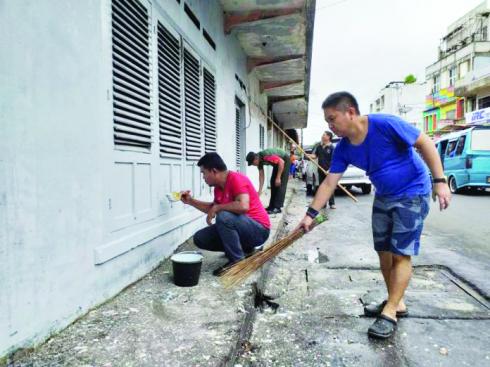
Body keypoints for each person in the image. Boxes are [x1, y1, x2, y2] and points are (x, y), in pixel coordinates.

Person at [296, 92, 451, 339]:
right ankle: (396, 301)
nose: (330, 126)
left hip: (412, 192)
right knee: (383, 251)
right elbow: (328, 183)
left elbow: (425, 143)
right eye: (327, 121)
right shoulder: (344, 148)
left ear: (351, 112)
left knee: (401, 253)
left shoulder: (385, 123)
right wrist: (310, 214)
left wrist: (440, 181)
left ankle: (389, 312)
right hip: (384, 195)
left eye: (332, 118)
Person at [181, 153, 270, 276]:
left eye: (203, 173)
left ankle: (237, 261)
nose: (203, 177)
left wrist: (218, 208)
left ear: (214, 171)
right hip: (244, 229)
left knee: (224, 216)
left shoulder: (236, 179)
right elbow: (212, 208)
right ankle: (245, 249)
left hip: (259, 230)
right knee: (200, 238)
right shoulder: (218, 188)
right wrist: (190, 201)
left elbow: (243, 206)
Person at [246, 148, 291, 214]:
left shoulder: (266, 156)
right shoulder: (259, 162)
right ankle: (272, 206)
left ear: (256, 159)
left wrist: (278, 177)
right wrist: (260, 191)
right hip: (277, 164)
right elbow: (261, 176)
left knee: (280, 183)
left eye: (252, 163)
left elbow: (281, 162)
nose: (253, 165)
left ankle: (277, 208)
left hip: (284, 160)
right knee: (272, 182)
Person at [311, 131, 336, 209]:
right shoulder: (319, 146)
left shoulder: (332, 147)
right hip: (320, 170)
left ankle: (332, 203)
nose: (322, 136)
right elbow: (315, 156)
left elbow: (334, 160)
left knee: (329, 187)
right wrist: (308, 155)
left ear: (328, 137)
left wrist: (330, 170)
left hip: (329, 171)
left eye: (324, 135)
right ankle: (323, 203)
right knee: (322, 187)